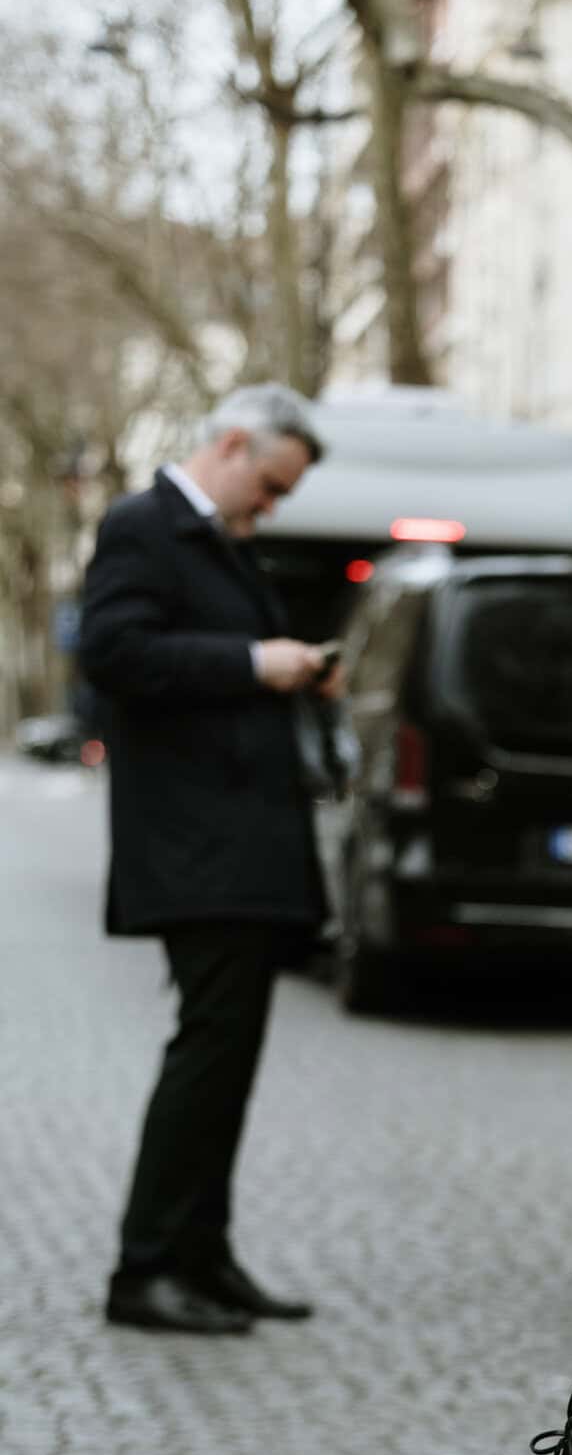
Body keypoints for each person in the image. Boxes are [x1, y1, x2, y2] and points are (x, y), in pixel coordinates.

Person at [79, 383, 337, 1336]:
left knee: (225, 1060)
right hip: (198, 848)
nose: (270, 506)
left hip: (238, 847)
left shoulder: (217, 542)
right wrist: (251, 663)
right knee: (206, 1057)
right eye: (269, 485)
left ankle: (200, 1255)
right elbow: (112, 652)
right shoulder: (144, 525)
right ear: (231, 445)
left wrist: (295, 667)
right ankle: (144, 1268)